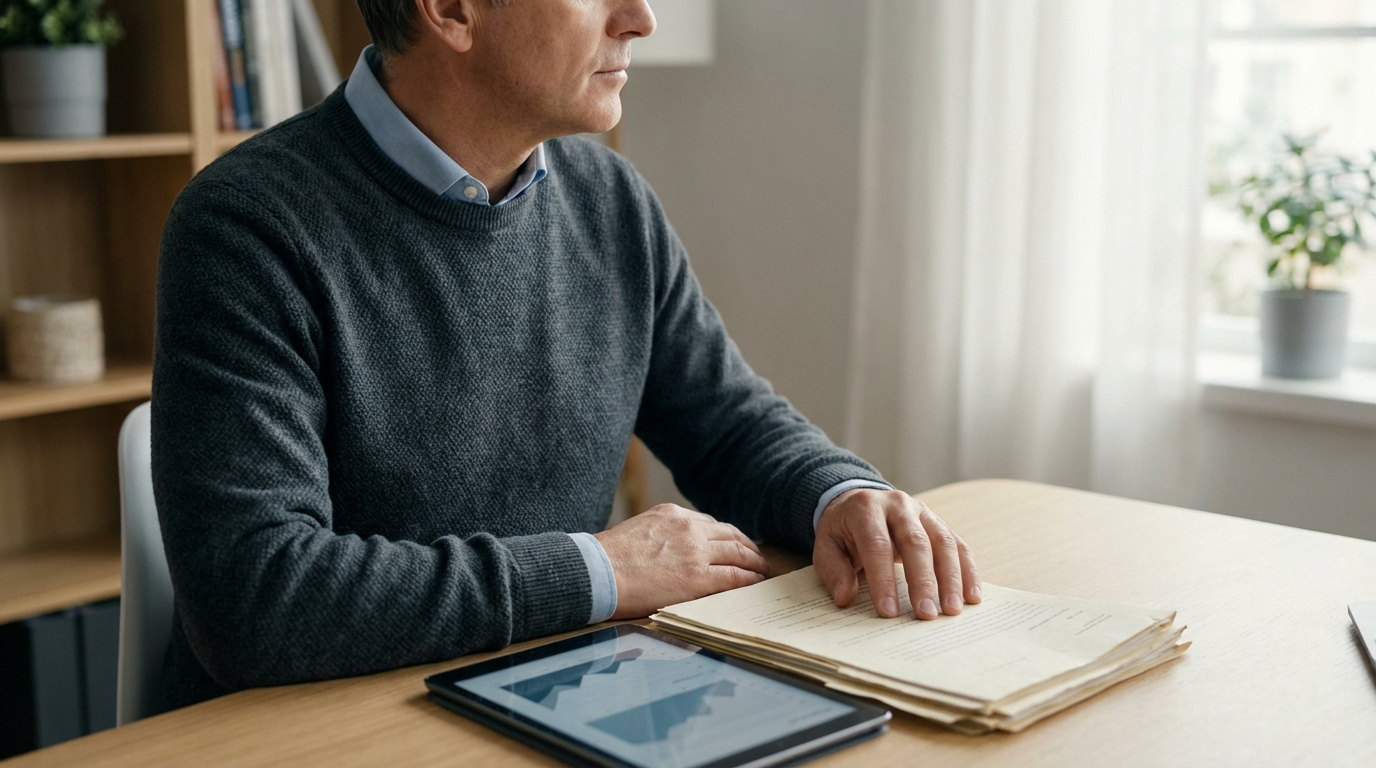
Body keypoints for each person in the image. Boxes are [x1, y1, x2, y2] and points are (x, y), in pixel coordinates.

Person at [151, 0, 981, 711]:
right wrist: (602, 569)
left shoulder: (610, 198)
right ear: (450, 10)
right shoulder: (245, 226)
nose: (642, 19)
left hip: (552, 689)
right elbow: (254, 598)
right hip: (308, 731)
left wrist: (839, 493)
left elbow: (726, 423)